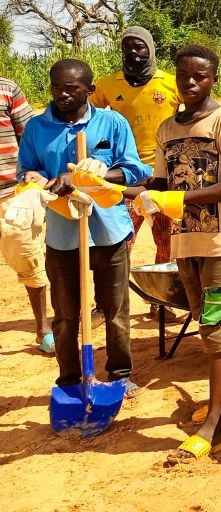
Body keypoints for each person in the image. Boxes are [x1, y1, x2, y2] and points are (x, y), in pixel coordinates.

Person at [122, 45, 221, 464]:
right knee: (205, 322)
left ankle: (215, 427)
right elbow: (158, 183)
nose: (190, 82)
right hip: (184, 244)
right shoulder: (166, 129)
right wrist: (118, 193)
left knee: (216, 327)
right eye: (183, 75)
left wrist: (179, 197)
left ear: (213, 78)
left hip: (220, 245)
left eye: (200, 76)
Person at [16, 60, 150, 398]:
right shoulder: (36, 128)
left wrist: (97, 175)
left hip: (108, 231)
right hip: (62, 235)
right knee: (64, 314)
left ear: (89, 91)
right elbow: (27, 172)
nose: (62, 94)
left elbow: (135, 171)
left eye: (72, 88)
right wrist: (34, 180)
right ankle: (70, 380)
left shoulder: (112, 122)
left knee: (115, 309)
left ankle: (119, 374)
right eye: (56, 87)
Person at [90, 26, 181, 320]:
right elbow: (88, 122)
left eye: (139, 47)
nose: (133, 53)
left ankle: (161, 302)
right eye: (127, 47)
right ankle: (107, 304)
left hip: (164, 179)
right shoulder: (106, 86)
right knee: (117, 244)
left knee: (167, 244)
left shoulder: (170, 83)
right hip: (124, 179)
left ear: (151, 49)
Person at [0, 76, 54, 353]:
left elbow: (31, 134)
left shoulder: (6, 89)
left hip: (12, 195)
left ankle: (42, 327)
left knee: (30, 261)